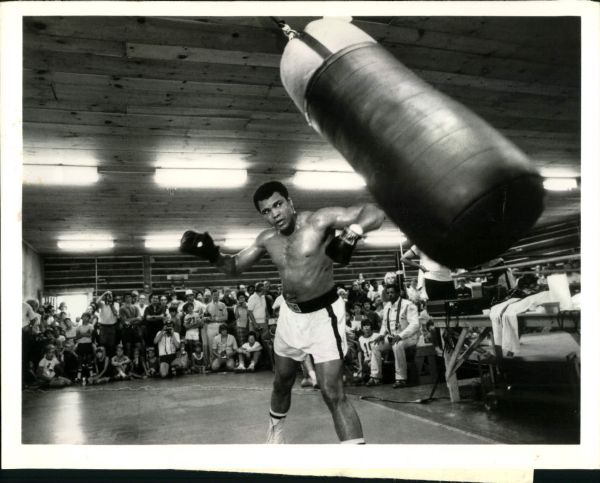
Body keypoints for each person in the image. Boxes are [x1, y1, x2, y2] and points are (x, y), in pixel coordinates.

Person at [180, 180, 384, 444]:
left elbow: (375, 212)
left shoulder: (318, 221)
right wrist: (211, 254)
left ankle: (358, 464)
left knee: (332, 392)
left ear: (290, 202)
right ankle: (275, 433)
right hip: (289, 316)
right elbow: (233, 266)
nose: (274, 214)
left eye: (278, 205)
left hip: (324, 315)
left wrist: (353, 232)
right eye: (266, 211)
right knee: (282, 381)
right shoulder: (267, 240)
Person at [367, 284, 420, 388]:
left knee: (397, 345)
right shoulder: (387, 306)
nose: (390, 295)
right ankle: (375, 377)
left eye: (392, 292)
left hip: (408, 337)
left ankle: (401, 379)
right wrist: (382, 335)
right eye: (388, 293)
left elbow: (415, 325)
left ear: (398, 293)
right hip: (392, 336)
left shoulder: (408, 305)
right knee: (375, 345)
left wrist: (400, 336)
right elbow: (384, 324)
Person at [95, 291, 120, 356]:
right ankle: (103, 359)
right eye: (108, 296)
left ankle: (110, 360)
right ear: (105, 297)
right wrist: (104, 293)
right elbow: (97, 302)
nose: (109, 297)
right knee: (102, 344)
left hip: (112, 327)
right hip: (102, 327)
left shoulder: (116, 304)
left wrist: (111, 304)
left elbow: (115, 313)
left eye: (110, 296)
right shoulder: (102, 303)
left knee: (111, 345)